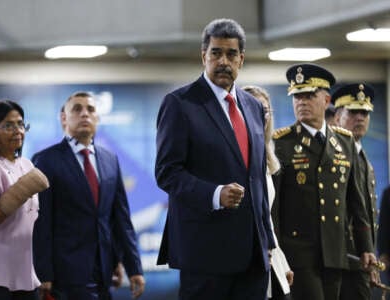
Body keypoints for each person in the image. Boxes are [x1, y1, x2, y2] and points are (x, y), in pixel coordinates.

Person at [155, 18, 275, 300]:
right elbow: (167, 172)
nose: (223, 61)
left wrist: (267, 240)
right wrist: (215, 194)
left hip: (253, 256)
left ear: (241, 59)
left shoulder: (254, 106)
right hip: (205, 254)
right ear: (203, 56)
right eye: (216, 53)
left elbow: (256, 177)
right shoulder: (179, 104)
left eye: (231, 54)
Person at [271, 63, 377, 300]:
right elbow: (274, 208)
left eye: (309, 95)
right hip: (298, 253)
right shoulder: (281, 143)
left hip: (334, 251)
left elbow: (355, 199)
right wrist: (276, 252)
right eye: (297, 96)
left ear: (326, 99)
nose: (302, 102)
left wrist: (366, 246)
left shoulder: (344, 142)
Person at [32, 91, 145, 300]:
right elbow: (41, 222)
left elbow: (121, 219)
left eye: (91, 110)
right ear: (64, 118)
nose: (85, 114)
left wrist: (133, 267)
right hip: (63, 273)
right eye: (77, 109)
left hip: (104, 270)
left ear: (98, 119)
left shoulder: (110, 159)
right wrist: (43, 272)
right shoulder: (45, 160)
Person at [0, 100, 49, 300]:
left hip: (24, 272)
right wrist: (18, 194)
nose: (17, 130)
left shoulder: (27, 164)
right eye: (8, 125)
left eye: (21, 124)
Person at [242, 85, 294, 300]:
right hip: (245, 262)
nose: (262, 116)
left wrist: (282, 263)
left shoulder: (266, 155)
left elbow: (267, 221)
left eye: (266, 110)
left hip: (270, 257)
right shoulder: (237, 154)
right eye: (255, 109)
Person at [332, 83, 377, 300]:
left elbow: (366, 212)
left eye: (365, 112)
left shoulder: (362, 156)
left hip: (360, 257)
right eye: (353, 112)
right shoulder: (335, 154)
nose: (360, 117)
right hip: (343, 257)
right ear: (338, 115)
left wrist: (369, 254)